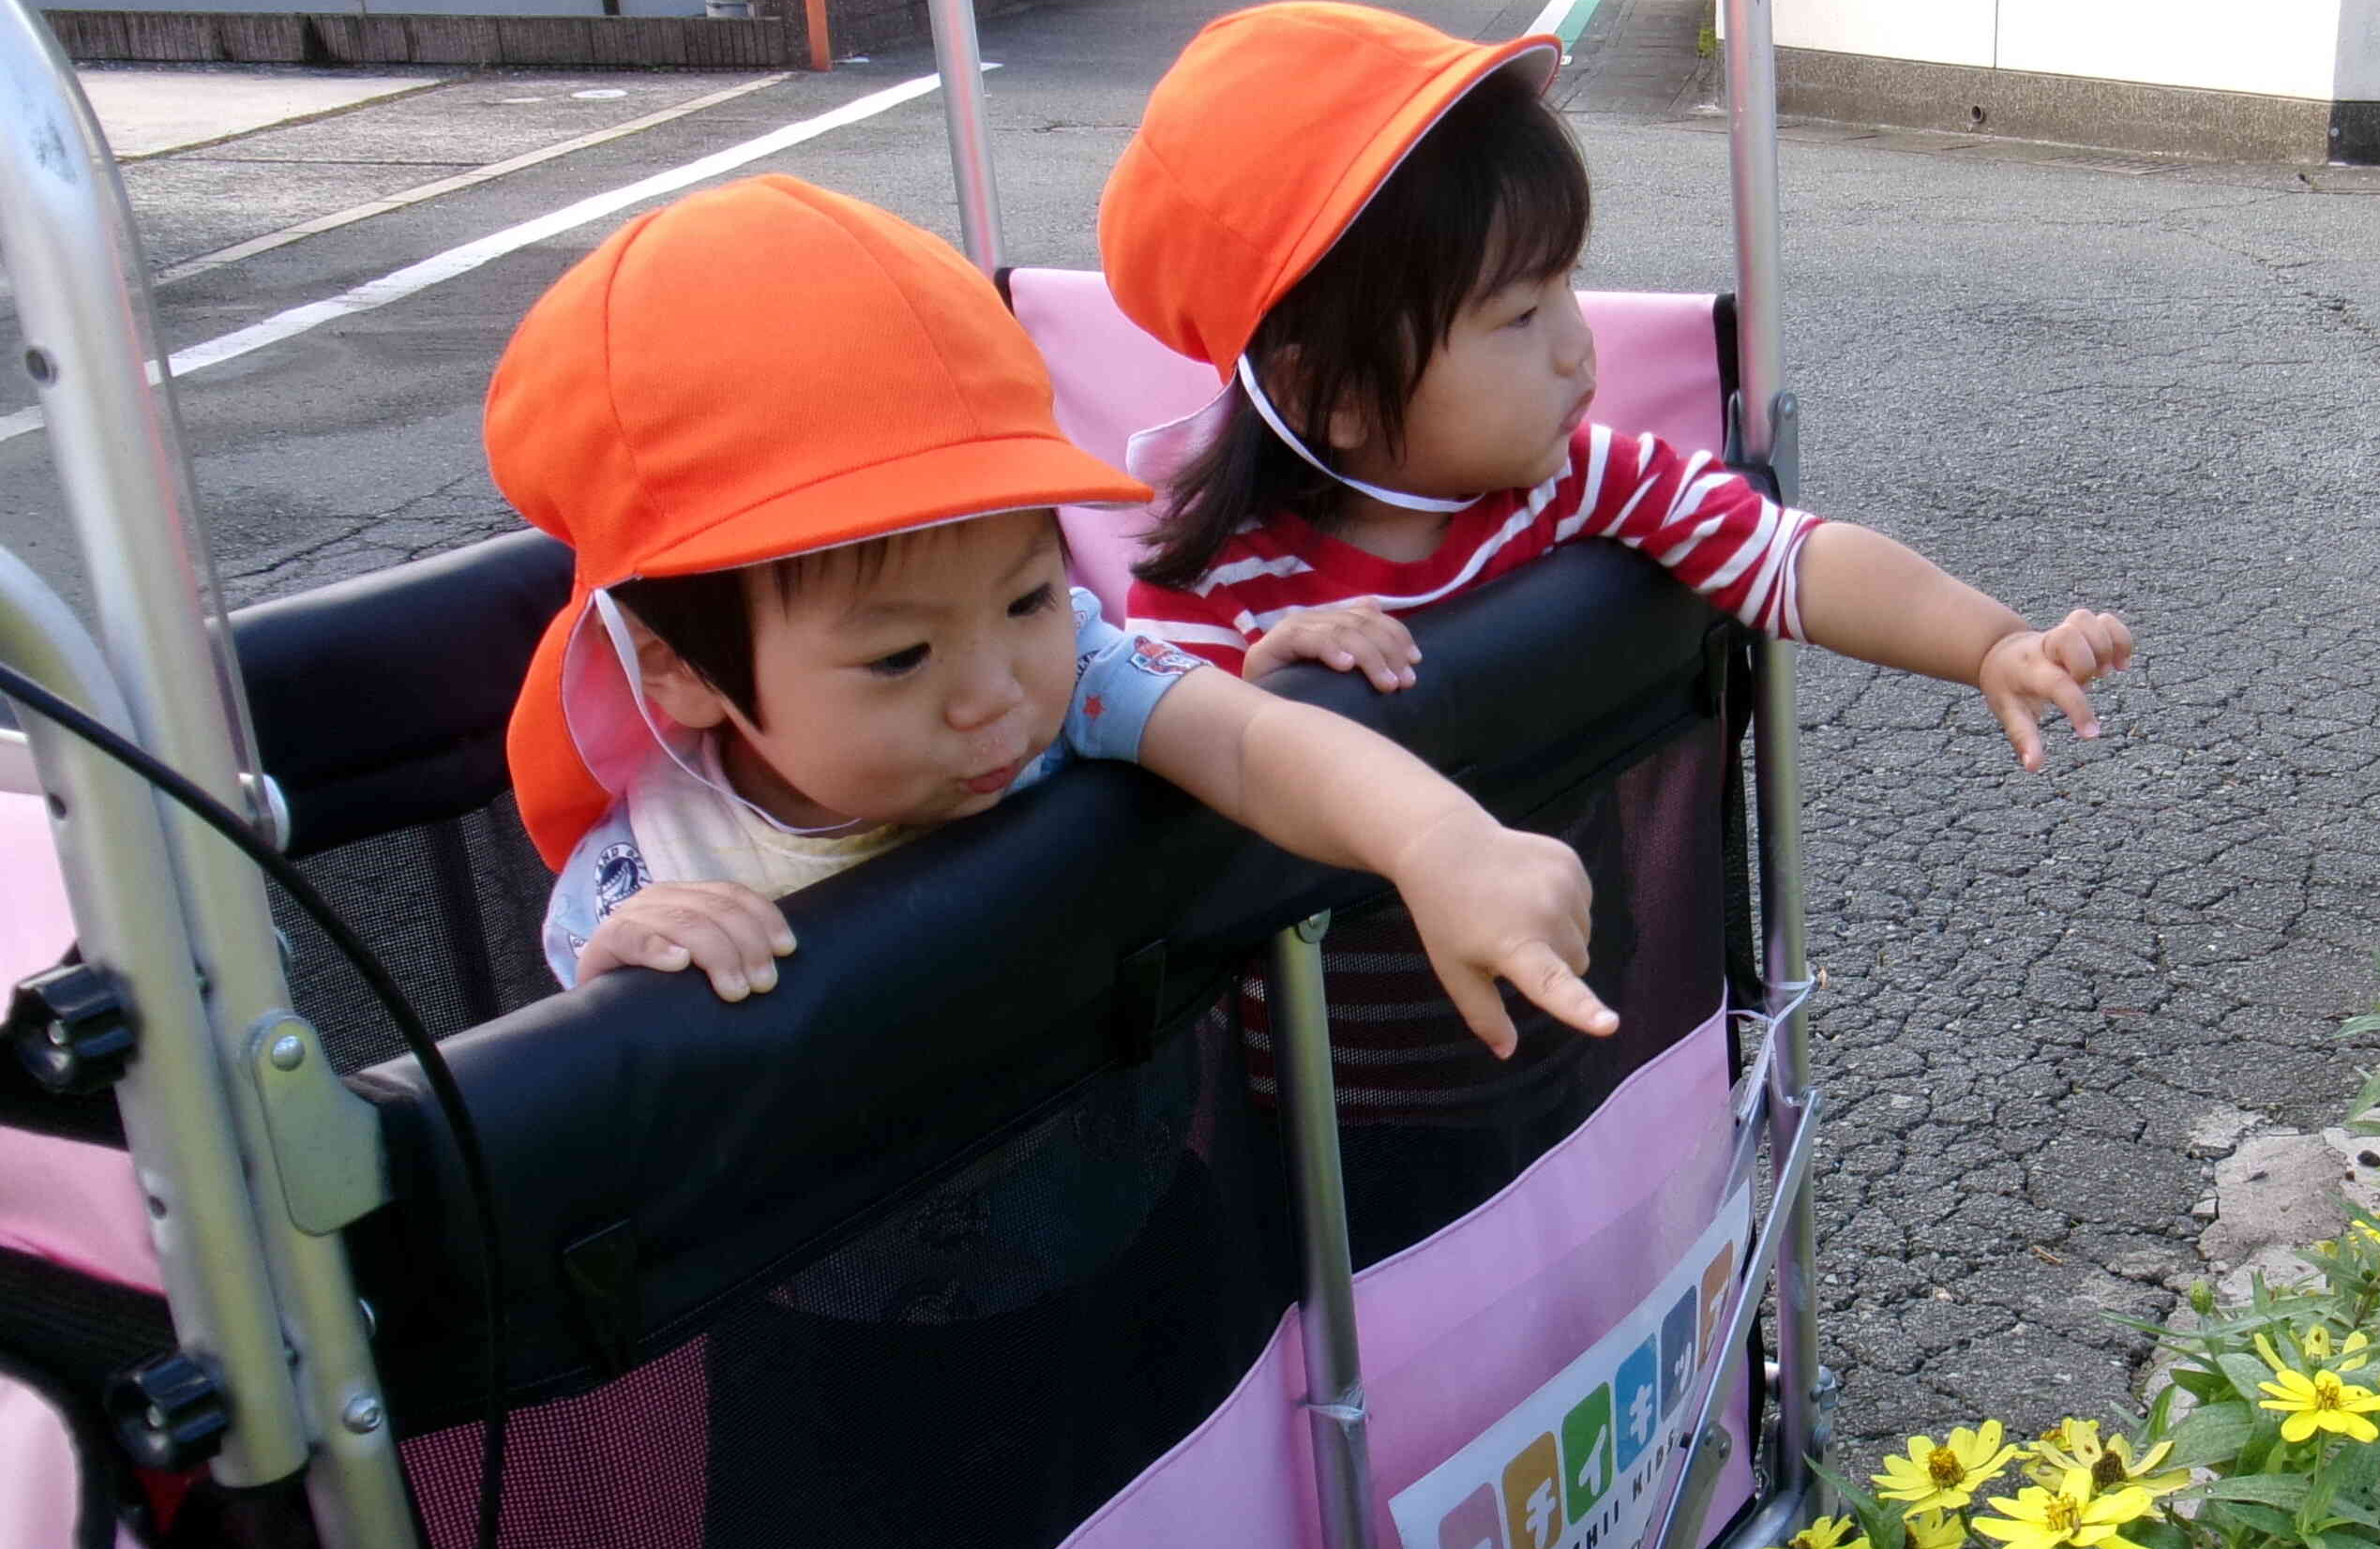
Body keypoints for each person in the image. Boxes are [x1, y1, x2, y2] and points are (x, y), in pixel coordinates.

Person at [489, 172, 1615, 1061]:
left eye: (1028, 592)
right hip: (842, 1298)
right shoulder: (657, 867)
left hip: (1126, 1195)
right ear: (680, 669)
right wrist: (630, 980)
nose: (996, 691)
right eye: (899, 657)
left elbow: (1246, 737)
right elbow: (598, 1090)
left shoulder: (1072, 667)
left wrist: (1441, 842)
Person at [1096, 1, 2134, 771]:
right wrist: (1258, 690)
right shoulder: (1207, 595)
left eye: (1566, 289)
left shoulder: (1584, 484)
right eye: (1518, 315)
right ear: (1332, 397)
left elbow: (1794, 559)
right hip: (1323, 1051)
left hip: (1568, 1018)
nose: (1577, 349)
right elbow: (1138, 807)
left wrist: (1992, 642)